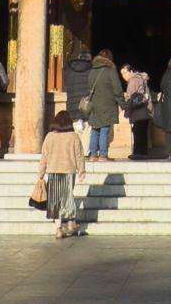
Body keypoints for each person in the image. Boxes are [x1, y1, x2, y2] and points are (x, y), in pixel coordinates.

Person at [38, 110, 86, 239]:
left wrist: (41, 174)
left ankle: (58, 229)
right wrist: (82, 171)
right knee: (68, 197)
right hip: (69, 171)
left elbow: (44, 157)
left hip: (53, 171)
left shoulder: (49, 136)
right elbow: (79, 155)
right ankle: (71, 222)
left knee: (55, 201)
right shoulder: (74, 136)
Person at [85, 49, 127, 160]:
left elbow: (89, 88)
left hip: (94, 104)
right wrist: (123, 104)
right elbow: (117, 89)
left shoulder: (92, 71)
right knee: (104, 129)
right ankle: (103, 154)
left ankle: (93, 154)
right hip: (107, 104)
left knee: (95, 129)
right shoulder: (110, 71)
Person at [121, 60, 153, 158]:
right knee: (142, 132)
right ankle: (143, 153)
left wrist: (127, 111)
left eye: (125, 73)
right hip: (146, 110)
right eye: (122, 74)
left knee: (138, 132)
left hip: (139, 111)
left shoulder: (134, 80)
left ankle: (138, 153)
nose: (123, 76)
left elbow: (130, 98)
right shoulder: (141, 78)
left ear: (131, 71)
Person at [64, 50, 93, 146]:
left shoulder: (70, 70)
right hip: (85, 105)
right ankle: (84, 154)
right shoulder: (91, 70)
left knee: (75, 131)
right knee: (87, 129)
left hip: (72, 104)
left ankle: (75, 153)